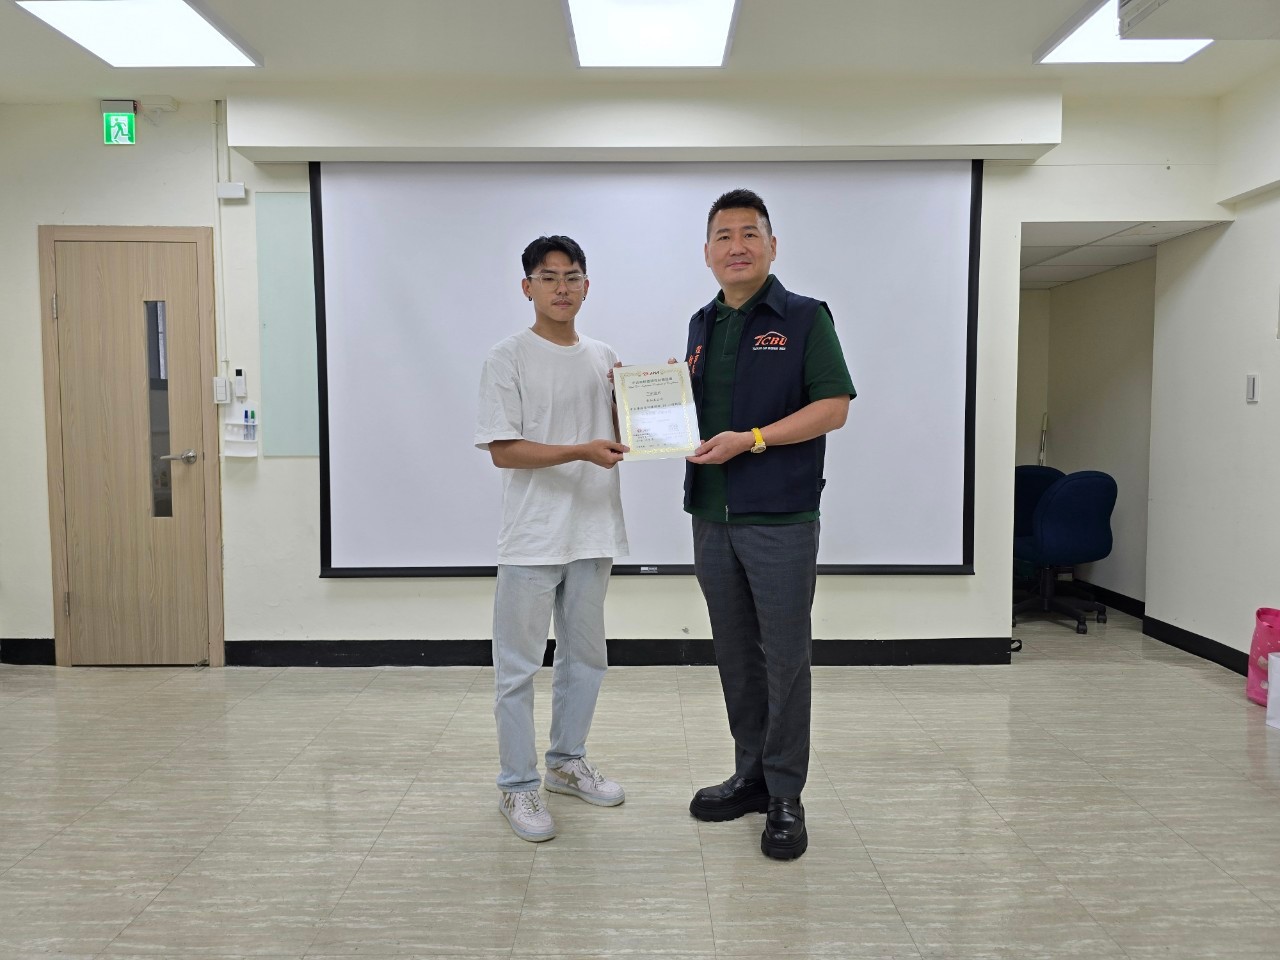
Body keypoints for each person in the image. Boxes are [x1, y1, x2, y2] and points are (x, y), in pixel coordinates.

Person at [683, 189, 855, 860]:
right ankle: (750, 775)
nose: (737, 246)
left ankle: (786, 793)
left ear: (772, 246)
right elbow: (696, 416)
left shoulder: (805, 317)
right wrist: (646, 403)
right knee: (736, 657)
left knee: (785, 660)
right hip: (711, 515)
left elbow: (833, 406)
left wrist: (752, 439)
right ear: (707, 252)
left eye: (749, 234)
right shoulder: (702, 323)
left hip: (780, 516)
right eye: (723, 236)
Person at [474, 235, 630, 842]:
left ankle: (566, 763)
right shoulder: (507, 357)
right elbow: (504, 450)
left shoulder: (604, 355)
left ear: (587, 285)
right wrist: (581, 451)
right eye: (549, 277)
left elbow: (624, 434)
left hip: (593, 528)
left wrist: (655, 396)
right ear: (528, 287)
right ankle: (518, 785)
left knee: (585, 659)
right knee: (517, 668)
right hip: (531, 536)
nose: (562, 287)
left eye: (572, 277)